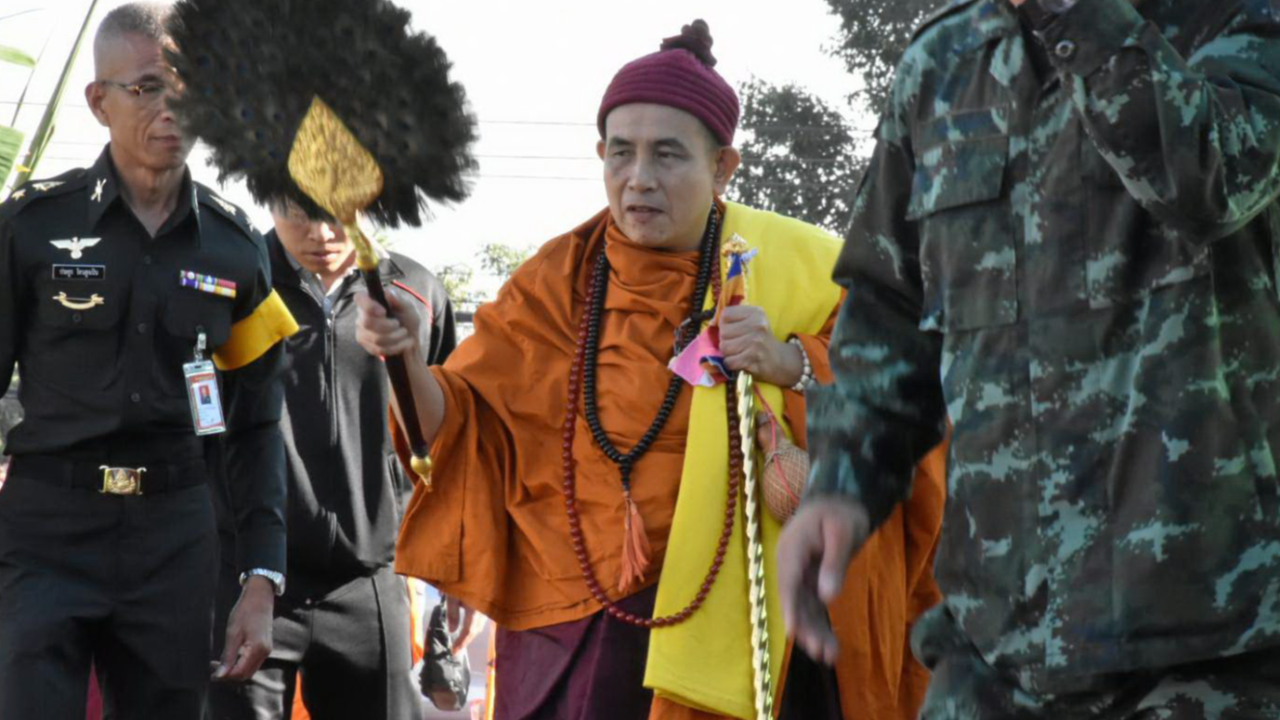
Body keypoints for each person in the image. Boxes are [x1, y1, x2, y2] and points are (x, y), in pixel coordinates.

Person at [356, 20, 946, 720]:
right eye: (621, 154)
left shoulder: (803, 268)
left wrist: (793, 365)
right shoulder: (556, 280)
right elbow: (460, 429)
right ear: (600, 154)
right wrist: (405, 358)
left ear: (724, 167)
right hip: (575, 608)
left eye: (668, 156)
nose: (639, 180)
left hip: (739, 612)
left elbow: (909, 405)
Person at [780, 0, 1280, 717]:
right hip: (994, 651)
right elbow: (888, 308)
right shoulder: (941, 61)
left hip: (1213, 650)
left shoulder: (1242, 21)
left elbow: (1208, 175)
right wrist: (842, 483)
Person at [0, 3, 296, 718]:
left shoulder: (237, 248)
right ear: (98, 102)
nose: (172, 109)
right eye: (148, 88)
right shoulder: (31, 226)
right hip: (46, 528)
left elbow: (258, 426)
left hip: (174, 537)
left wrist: (261, 579)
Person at [207, 201, 457, 720]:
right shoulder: (230, 284)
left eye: (339, 212)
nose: (322, 233)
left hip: (372, 578)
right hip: (244, 575)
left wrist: (458, 566)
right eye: (300, 211)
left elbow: (451, 441)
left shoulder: (418, 289)